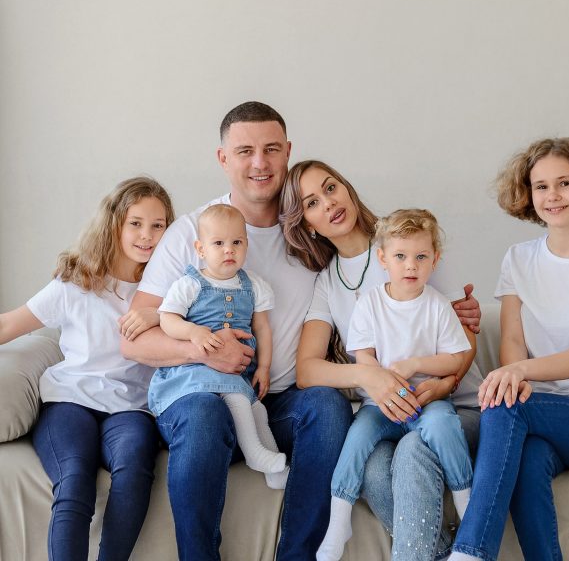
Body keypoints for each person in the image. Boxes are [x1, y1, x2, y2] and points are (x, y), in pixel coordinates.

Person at [121, 102, 353, 561]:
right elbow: (133, 340)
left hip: (276, 401)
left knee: (328, 407)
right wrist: (204, 352)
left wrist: (445, 307)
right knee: (203, 415)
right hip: (199, 397)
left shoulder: (310, 229)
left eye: (271, 149)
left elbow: (380, 265)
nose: (260, 163)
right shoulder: (193, 232)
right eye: (245, 151)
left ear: (288, 152)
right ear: (223, 158)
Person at [279, 159, 483, 560]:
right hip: (388, 412)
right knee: (372, 468)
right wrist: (370, 377)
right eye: (312, 203)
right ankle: (444, 554)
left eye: (331, 188)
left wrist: (445, 383)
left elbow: (466, 336)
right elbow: (307, 370)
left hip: (455, 406)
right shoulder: (327, 284)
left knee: (411, 454)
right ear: (307, 224)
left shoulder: (407, 246)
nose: (329, 203)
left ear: (347, 189)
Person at [0, 177, 175, 561]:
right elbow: (10, 324)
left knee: (134, 470)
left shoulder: (172, 291)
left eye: (158, 225)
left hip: (131, 408)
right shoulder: (76, 282)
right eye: (136, 223)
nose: (147, 235)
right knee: (75, 478)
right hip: (69, 402)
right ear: (115, 224)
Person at [449, 137, 569, 561]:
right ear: (528, 194)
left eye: (565, 183)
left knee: (504, 404)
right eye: (541, 186)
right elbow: (513, 341)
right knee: (529, 458)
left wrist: (518, 375)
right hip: (539, 410)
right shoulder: (518, 259)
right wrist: (514, 376)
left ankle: (471, 551)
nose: (553, 196)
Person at [317, 209, 473, 561]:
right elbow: (364, 357)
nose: (410, 266)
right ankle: (339, 520)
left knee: (444, 425)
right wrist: (387, 385)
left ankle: (467, 505)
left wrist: (416, 364)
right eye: (400, 256)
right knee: (357, 438)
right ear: (383, 259)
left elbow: (454, 360)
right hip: (382, 404)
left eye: (421, 257)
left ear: (435, 260)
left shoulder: (437, 306)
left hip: (426, 401)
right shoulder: (370, 303)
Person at [148, 204, 289, 487]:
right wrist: (194, 332)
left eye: (237, 242)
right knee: (238, 399)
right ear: (201, 249)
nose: (229, 250)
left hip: (236, 372)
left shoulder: (254, 285)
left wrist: (263, 367)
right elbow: (167, 320)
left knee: (258, 409)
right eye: (218, 243)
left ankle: (274, 470)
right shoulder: (190, 284)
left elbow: (263, 328)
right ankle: (254, 454)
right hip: (195, 372)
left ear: (246, 245)